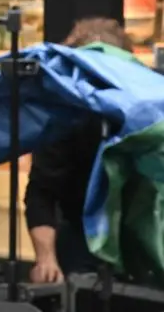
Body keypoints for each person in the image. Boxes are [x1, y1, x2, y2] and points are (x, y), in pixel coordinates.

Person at [25, 17, 138, 284]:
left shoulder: (147, 111)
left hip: (138, 233)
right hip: (81, 231)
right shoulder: (63, 119)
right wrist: (45, 258)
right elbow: (42, 192)